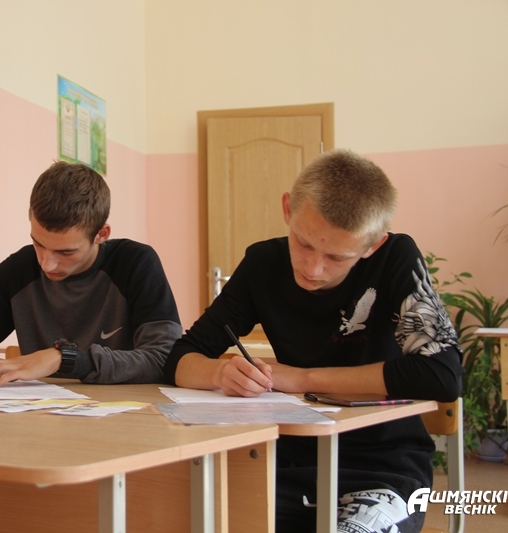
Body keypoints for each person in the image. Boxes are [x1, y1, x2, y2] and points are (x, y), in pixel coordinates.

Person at [163, 149, 462, 533]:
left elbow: (441, 374)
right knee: (177, 510)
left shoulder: (395, 258)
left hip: (382, 469)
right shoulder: (263, 263)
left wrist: (303, 378)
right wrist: (220, 373)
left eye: (337, 257)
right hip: (279, 461)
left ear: (372, 246)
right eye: (303, 243)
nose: (313, 268)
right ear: (288, 209)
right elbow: (180, 358)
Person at [0, 161, 182, 387]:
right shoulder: (21, 269)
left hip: (129, 422)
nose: (46, 264)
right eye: (38, 244)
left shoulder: (136, 263)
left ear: (101, 234)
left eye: (66, 252)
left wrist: (65, 359)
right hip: (43, 420)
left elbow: (165, 359)